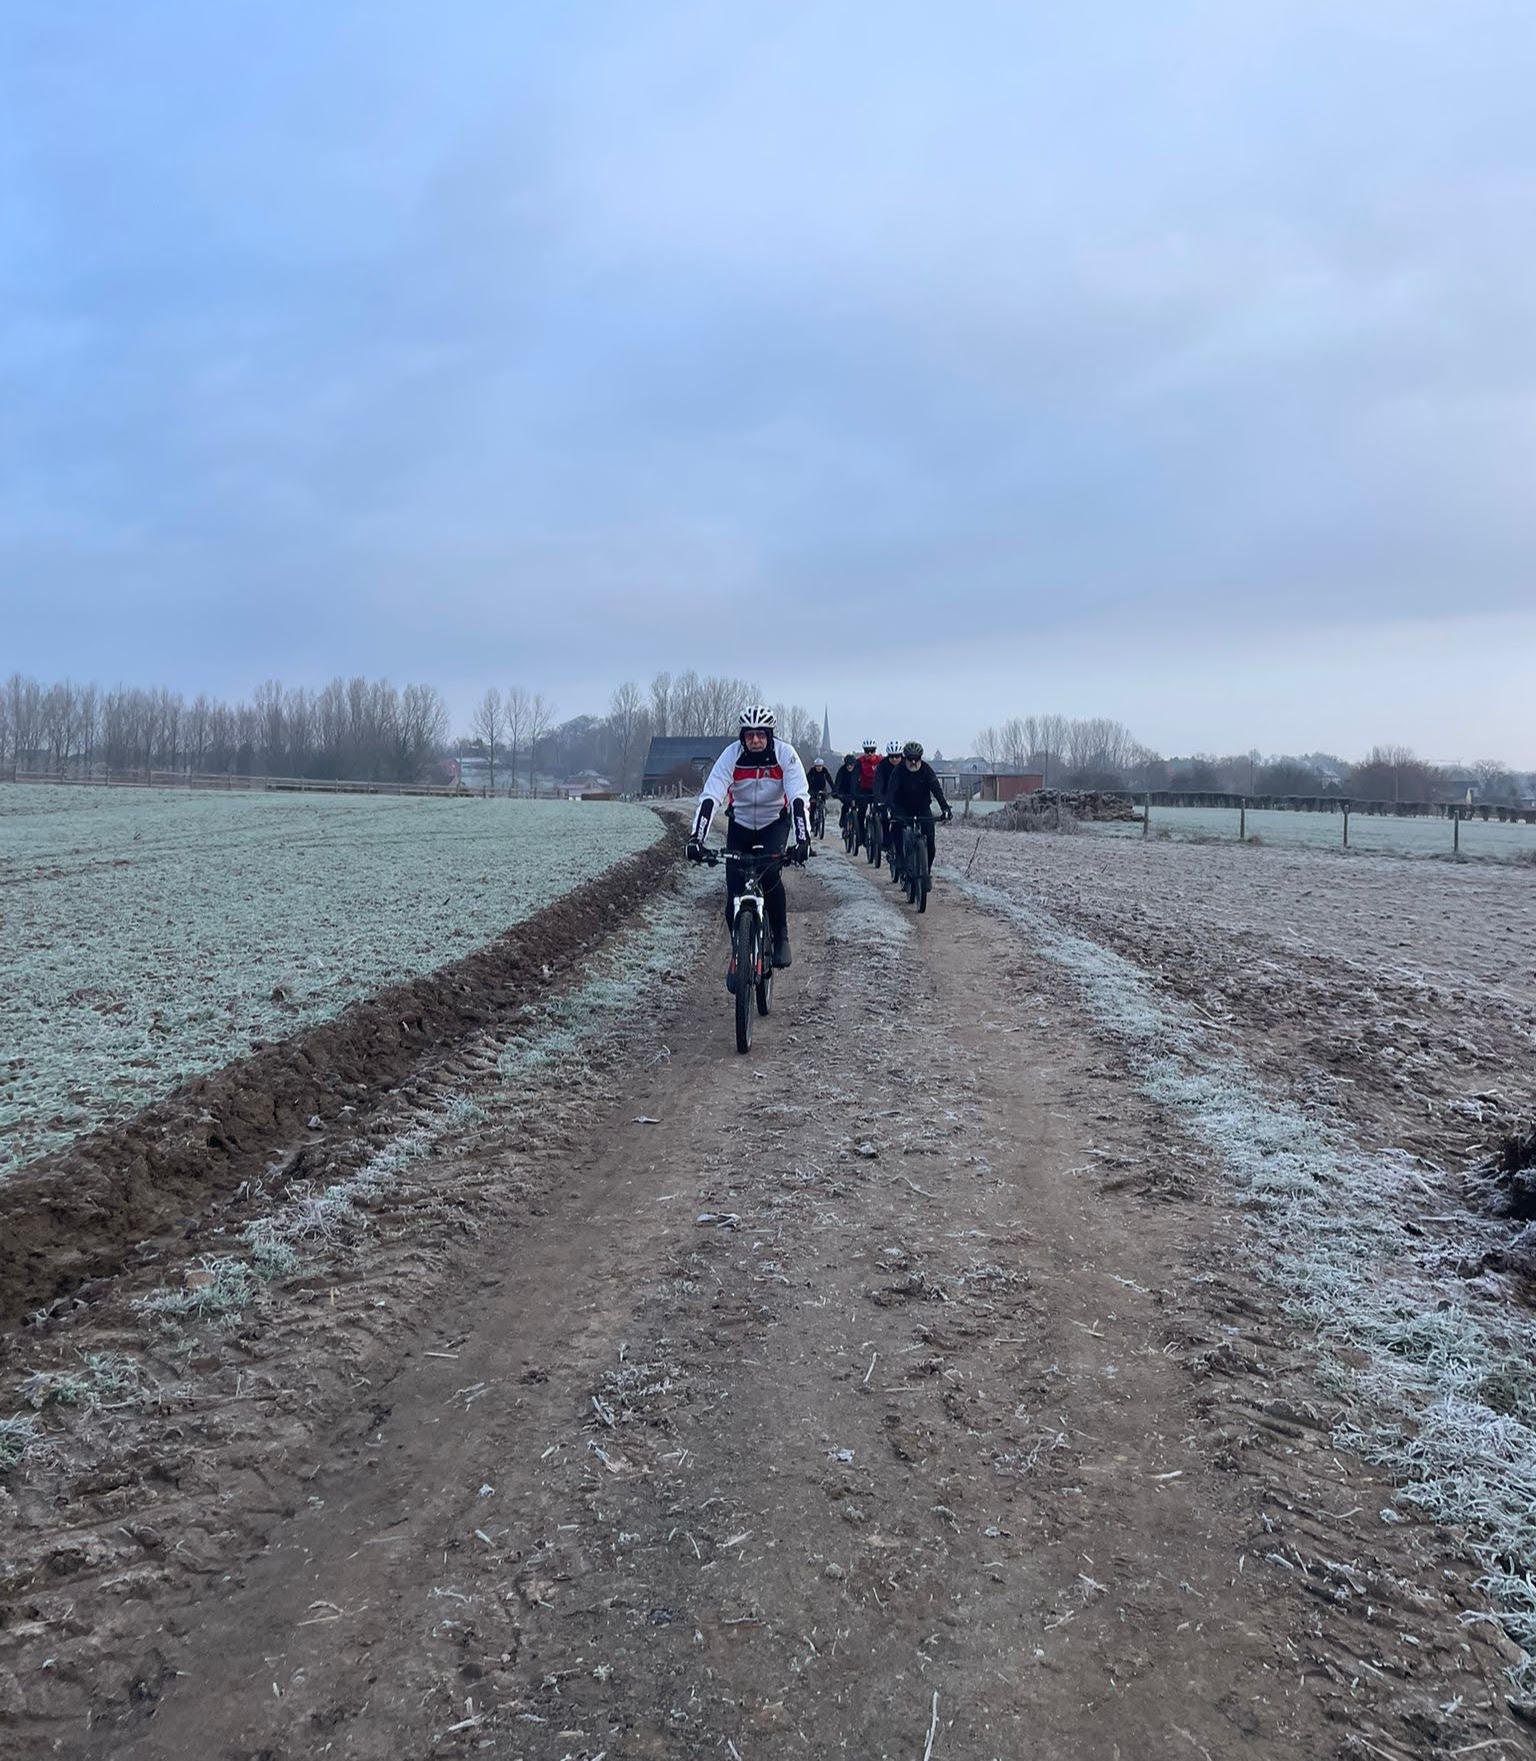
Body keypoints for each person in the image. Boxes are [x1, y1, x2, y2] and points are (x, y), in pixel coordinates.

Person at [687, 706, 810, 973]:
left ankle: (781, 937)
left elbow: (799, 798)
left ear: (770, 735)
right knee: (733, 893)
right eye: (749, 735)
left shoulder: (785, 755)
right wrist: (696, 838)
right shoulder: (731, 756)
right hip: (740, 824)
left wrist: (803, 839)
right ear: (742, 736)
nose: (755, 740)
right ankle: (739, 955)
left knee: (771, 876)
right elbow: (711, 797)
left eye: (761, 734)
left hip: (773, 823)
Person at [885, 740, 952, 875]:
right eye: (910, 759)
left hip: (922, 808)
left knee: (931, 844)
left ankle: (926, 873)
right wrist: (889, 809)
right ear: (906, 758)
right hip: (902, 808)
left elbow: (936, 790)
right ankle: (899, 857)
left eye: (917, 759)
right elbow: (891, 792)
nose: (914, 762)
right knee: (897, 828)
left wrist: (945, 808)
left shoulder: (927, 770)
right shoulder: (898, 771)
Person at [873, 740, 904, 875]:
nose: (895, 759)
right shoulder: (883, 766)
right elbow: (878, 783)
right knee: (885, 817)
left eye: (897, 756)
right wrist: (880, 799)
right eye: (892, 757)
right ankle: (886, 840)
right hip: (886, 796)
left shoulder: (906, 764)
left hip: (902, 797)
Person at [852, 739, 882, 850]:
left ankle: (880, 834)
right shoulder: (859, 762)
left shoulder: (880, 761)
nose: (869, 753)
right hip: (864, 789)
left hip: (876, 790)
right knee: (862, 810)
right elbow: (854, 778)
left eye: (872, 751)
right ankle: (861, 833)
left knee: (881, 811)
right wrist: (854, 792)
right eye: (867, 751)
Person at [805, 757, 835, 836]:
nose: (819, 768)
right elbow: (807, 780)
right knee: (812, 807)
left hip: (822, 789)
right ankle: (812, 823)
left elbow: (829, 780)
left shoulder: (825, 771)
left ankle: (822, 812)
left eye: (820, 766)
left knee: (822, 802)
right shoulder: (812, 771)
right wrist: (807, 789)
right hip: (813, 789)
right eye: (817, 766)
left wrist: (834, 789)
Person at [832, 752, 859, 835]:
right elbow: (838, 782)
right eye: (847, 765)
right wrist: (836, 792)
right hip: (844, 792)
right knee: (846, 806)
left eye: (851, 765)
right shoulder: (842, 770)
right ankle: (843, 820)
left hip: (856, 792)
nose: (849, 767)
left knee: (860, 807)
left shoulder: (858, 770)